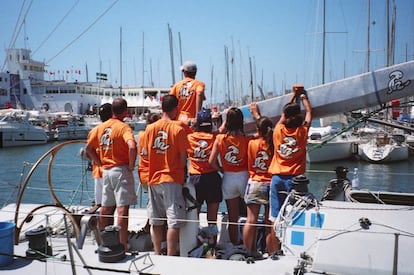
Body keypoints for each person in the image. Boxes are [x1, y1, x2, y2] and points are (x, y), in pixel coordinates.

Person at [85, 98, 137, 252]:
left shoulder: (100, 128)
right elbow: (132, 146)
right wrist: (131, 165)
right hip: (120, 170)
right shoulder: (123, 127)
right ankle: (122, 244)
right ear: (125, 111)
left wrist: (99, 162)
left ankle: (103, 242)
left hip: (106, 171)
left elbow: (88, 148)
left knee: (105, 209)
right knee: (122, 210)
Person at [141, 94, 189, 256]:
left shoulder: (149, 129)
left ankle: (156, 252)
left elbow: (146, 154)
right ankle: (170, 255)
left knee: (156, 219)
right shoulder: (178, 129)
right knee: (173, 221)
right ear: (175, 109)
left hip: (153, 178)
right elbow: (183, 157)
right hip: (172, 177)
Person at [268, 83, 312, 247]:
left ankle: (273, 251)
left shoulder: (278, 130)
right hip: (295, 181)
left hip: (277, 179)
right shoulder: (302, 132)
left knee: (275, 217)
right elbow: (309, 112)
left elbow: (283, 114)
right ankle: (289, 248)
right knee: (295, 216)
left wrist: (293, 95)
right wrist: (303, 97)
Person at [208, 107, 250, 245]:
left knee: (233, 218)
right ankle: (249, 245)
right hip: (244, 176)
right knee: (251, 217)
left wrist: (221, 169)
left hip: (228, 178)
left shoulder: (220, 139)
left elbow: (211, 161)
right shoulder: (247, 139)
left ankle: (234, 245)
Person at [242, 107, 278, 257]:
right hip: (271, 183)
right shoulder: (275, 143)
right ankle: (272, 252)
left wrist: (256, 115)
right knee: (270, 222)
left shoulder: (252, 143)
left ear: (258, 130)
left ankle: (248, 251)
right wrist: (258, 115)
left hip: (255, 182)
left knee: (251, 220)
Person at [187, 109, 222, 237]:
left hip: (195, 178)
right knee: (212, 218)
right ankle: (211, 242)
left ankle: (193, 240)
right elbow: (222, 130)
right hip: (212, 176)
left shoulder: (189, 137)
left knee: (193, 215)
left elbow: (188, 128)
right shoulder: (215, 138)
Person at [135, 112, 161, 234]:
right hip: (154, 174)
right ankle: (150, 225)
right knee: (157, 203)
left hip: (142, 174)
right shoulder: (156, 138)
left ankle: (149, 225)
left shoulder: (140, 135)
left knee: (152, 201)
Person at [86, 103, 113, 214]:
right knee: (111, 206)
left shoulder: (95, 131)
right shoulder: (116, 128)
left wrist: (98, 162)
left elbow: (88, 150)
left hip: (98, 171)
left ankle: (102, 229)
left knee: (101, 205)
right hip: (111, 170)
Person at [170, 61, 206, 126]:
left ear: (185, 72)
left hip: (179, 120)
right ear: (195, 72)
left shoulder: (176, 85)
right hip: (192, 121)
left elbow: (169, 100)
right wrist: (198, 116)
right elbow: (200, 93)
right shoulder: (199, 84)